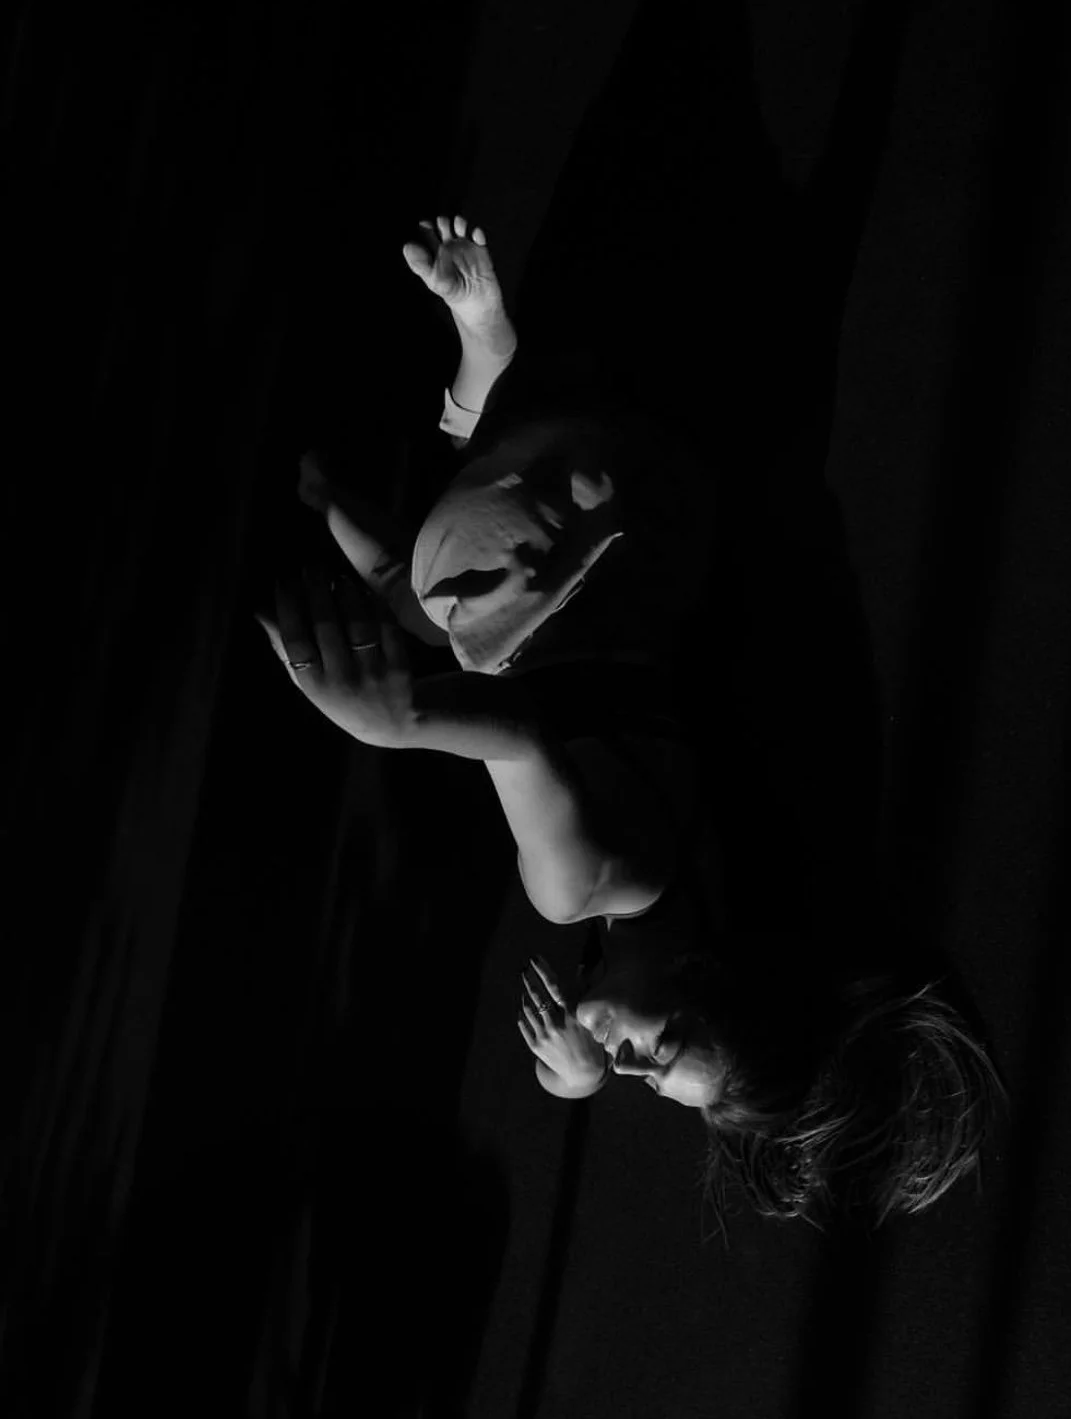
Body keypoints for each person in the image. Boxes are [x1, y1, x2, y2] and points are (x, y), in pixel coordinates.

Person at [256, 215, 1010, 1239]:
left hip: (636, 534)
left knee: (425, 591)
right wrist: (396, 722)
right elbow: (514, 734)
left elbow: (636, 1023)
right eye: (653, 1055)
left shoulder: (708, 882)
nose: (621, 1064)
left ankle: (363, 460)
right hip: (521, 569)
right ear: (700, 980)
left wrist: (570, 1077)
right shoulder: (581, 886)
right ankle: (479, 353)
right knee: (430, 599)